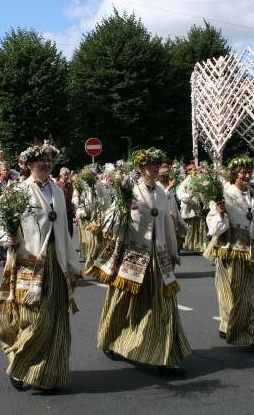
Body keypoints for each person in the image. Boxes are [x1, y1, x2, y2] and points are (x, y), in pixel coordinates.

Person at [89, 148, 191, 376]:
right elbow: (111, 224)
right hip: (133, 255)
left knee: (163, 306)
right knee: (122, 301)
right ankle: (110, 338)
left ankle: (164, 358)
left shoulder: (163, 193)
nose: (156, 167)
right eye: (151, 164)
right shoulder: (129, 191)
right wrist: (121, 214)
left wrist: (173, 252)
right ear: (140, 168)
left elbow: (167, 224)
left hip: (158, 256)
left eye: (158, 164)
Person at [0, 141, 82, 392]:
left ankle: (49, 372)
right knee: (36, 318)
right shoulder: (18, 191)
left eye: (49, 160)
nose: (46, 164)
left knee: (56, 319)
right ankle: (21, 365)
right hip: (29, 262)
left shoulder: (57, 191)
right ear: (29, 165)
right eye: (41, 160)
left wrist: (74, 265)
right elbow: (1, 224)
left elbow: (64, 232)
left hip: (56, 260)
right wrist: (5, 236)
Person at [205, 155, 254, 353]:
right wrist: (221, 214)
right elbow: (213, 227)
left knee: (249, 293)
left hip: (250, 252)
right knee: (233, 293)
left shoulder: (252, 194)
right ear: (234, 175)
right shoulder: (225, 193)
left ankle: (239, 328)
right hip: (230, 252)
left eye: (249, 172)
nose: (247, 175)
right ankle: (251, 334)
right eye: (243, 172)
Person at [0, 163, 18, 266]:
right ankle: (0, 256)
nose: (6, 172)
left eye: (8, 170)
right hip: (0, 212)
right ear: (0, 171)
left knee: (11, 233)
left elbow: (17, 174)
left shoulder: (13, 182)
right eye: (4, 170)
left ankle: (10, 254)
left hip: (12, 211)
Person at [177, 165, 206, 255]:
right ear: (189, 171)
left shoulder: (199, 180)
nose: (195, 171)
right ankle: (186, 245)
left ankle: (198, 247)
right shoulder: (185, 183)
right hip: (189, 207)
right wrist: (188, 196)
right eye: (193, 169)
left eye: (196, 169)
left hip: (198, 206)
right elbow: (180, 194)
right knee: (189, 228)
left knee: (199, 228)